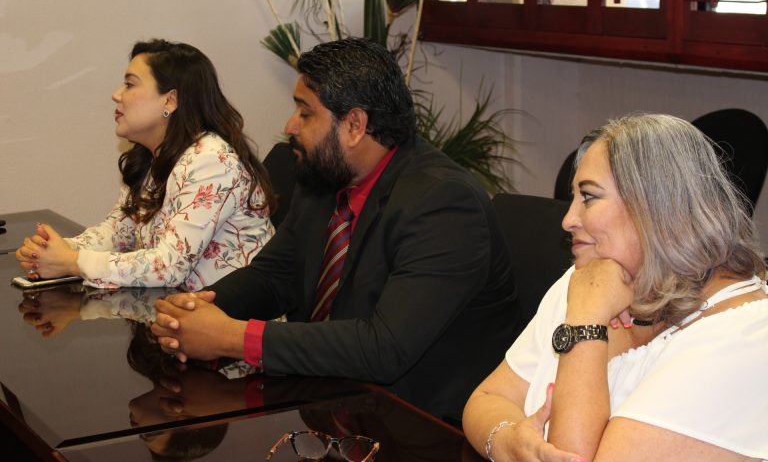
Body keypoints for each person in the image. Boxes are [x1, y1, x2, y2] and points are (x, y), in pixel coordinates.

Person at [150, 37, 520, 422]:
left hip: (423, 426)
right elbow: (276, 277)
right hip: (329, 403)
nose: (289, 125)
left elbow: (384, 348)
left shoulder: (443, 204)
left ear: (355, 126)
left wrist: (231, 337)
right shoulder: (326, 176)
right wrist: (196, 311)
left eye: (305, 112)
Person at [463, 114, 767, 462]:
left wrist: (585, 321)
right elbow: (487, 399)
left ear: (654, 206)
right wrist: (507, 442)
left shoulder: (746, 337)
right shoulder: (594, 277)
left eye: (588, 197)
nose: (567, 220)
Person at [15, 39, 275, 291]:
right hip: (174, 309)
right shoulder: (152, 156)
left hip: (231, 316)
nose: (116, 95)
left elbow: (169, 265)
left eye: (130, 85)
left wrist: (72, 262)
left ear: (170, 101)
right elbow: (119, 233)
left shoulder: (211, 161)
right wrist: (55, 251)